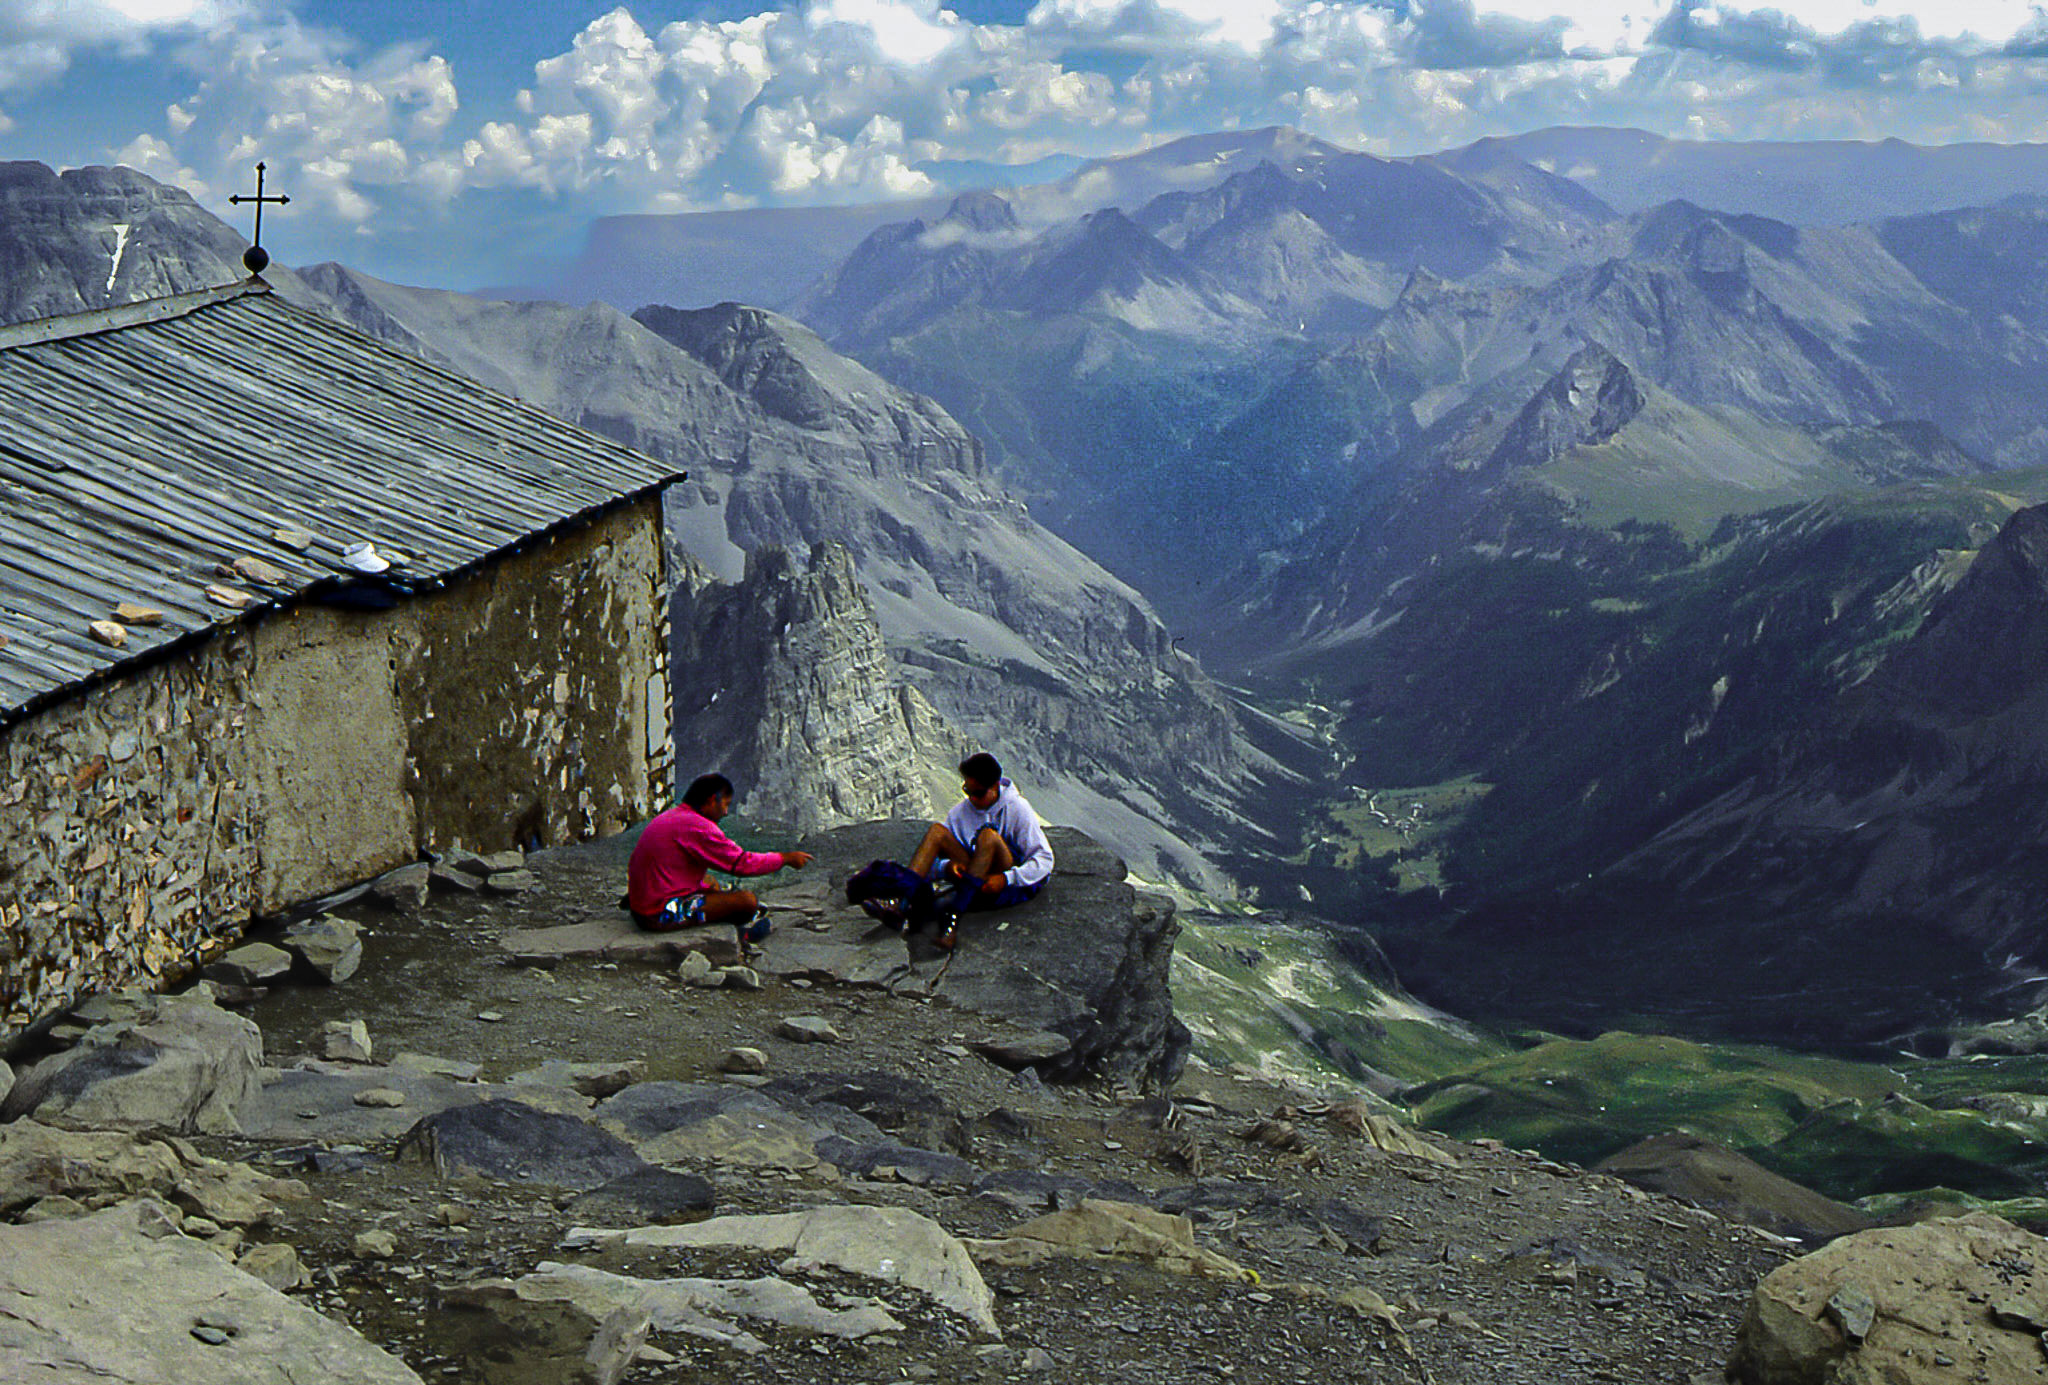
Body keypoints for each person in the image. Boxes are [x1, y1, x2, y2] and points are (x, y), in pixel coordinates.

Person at [627, 773, 812, 943]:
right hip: (659, 914)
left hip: (642, 906)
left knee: (711, 882)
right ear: (711, 801)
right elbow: (742, 864)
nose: (725, 812)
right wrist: (784, 859)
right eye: (725, 804)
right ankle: (744, 934)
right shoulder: (698, 826)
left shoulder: (674, 816)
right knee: (747, 901)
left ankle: (715, 908)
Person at [905, 752, 1055, 947]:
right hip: (973, 873)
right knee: (937, 832)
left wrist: (1007, 878)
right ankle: (900, 898)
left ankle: (953, 919)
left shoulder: (1018, 808)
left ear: (995, 786)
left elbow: (1044, 859)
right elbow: (933, 860)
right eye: (967, 791)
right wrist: (946, 867)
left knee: (988, 836)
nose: (972, 799)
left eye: (979, 793)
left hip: (1001, 874)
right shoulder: (959, 813)